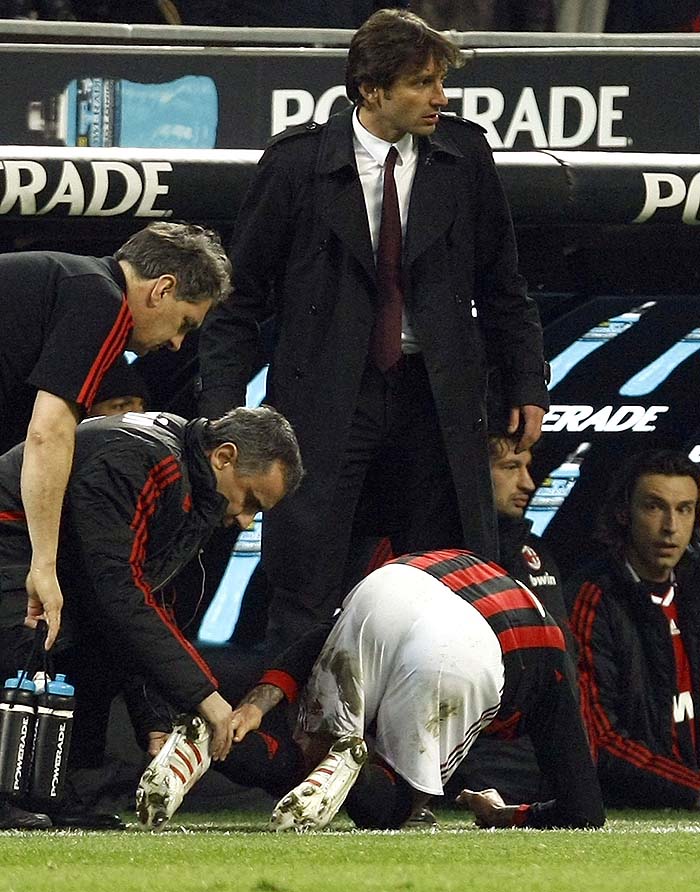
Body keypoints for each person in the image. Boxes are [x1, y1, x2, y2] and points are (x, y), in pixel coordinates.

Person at [198, 8, 549, 656]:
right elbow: (235, 302)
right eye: (421, 83)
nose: (439, 98)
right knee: (305, 589)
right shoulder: (296, 166)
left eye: (440, 82)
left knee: (439, 592)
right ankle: (290, 747)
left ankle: (425, 755)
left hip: (434, 404)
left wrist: (528, 382)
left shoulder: (464, 156)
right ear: (370, 89)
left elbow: (504, 285)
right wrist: (223, 414)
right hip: (326, 403)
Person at [138, 548, 605, 832]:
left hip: (391, 582)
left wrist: (254, 704)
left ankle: (207, 739)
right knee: (392, 810)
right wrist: (508, 815)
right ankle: (349, 767)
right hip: (463, 648)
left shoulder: (489, 574)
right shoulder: (555, 672)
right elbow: (584, 811)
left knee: (304, 753)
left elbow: (326, 630)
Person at [0, 405, 302, 828]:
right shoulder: (137, 461)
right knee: (31, 635)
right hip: (11, 545)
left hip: (44, 560)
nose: (246, 519)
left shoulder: (188, 478)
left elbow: (136, 602)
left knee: (96, 647)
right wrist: (207, 697)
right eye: (250, 499)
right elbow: (117, 591)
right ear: (224, 456)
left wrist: (154, 720)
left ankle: (57, 794)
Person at [0, 221, 231, 651]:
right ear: (161, 289)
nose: (179, 343)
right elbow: (48, 434)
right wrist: (44, 565)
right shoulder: (102, 300)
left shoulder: (72, 282)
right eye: (184, 322)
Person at [567, 449, 700, 809]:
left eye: (685, 508)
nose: (671, 526)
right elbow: (600, 739)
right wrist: (692, 788)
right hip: (633, 805)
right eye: (655, 507)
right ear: (625, 512)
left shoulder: (693, 590)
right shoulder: (594, 597)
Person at [457, 428, 571, 802]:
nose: (528, 483)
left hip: (545, 762)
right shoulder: (442, 560)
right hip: (471, 766)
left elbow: (565, 673)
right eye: (510, 467)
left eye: (527, 467)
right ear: (473, 473)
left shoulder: (538, 556)